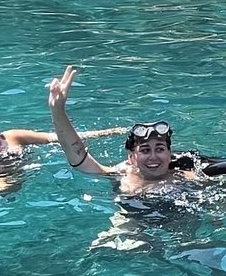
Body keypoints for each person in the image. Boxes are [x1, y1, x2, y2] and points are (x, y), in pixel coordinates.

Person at [46, 66, 206, 197]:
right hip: (132, 218)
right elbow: (78, 156)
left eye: (160, 149)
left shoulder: (187, 178)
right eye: (144, 150)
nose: (153, 156)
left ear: (169, 154)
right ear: (131, 158)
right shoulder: (122, 174)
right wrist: (57, 110)